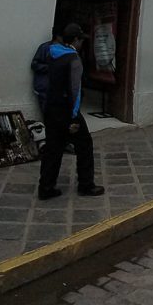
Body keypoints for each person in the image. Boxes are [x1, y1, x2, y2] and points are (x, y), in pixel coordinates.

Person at [37, 23, 104, 200]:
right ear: (75, 40)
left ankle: (46, 187)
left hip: (51, 107)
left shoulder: (53, 53)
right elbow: (75, 90)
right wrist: (74, 118)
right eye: (81, 39)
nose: (82, 43)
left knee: (53, 147)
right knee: (84, 144)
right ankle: (86, 184)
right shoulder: (74, 59)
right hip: (67, 110)